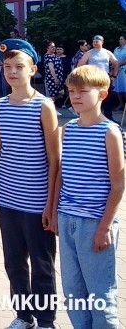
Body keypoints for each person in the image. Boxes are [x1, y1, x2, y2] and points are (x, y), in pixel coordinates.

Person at [0, 39, 60, 329]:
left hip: (37, 200)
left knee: (42, 265)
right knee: (14, 262)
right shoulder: (0, 105)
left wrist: (51, 204)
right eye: (7, 67)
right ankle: (23, 315)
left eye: (19, 67)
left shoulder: (44, 106)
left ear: (32, 70)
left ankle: (45, 320)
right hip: (8, 200)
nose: (12, 72)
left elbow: (55, 160)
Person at [55, 65, 124, 329]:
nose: (75, 96)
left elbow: (118, 185)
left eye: (83, 91)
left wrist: (105, 226)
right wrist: (54, 210)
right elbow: (63, 174)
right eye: (72, 91)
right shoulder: (69, 129)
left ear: (103, 94)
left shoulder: (109, 132)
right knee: (73, 292)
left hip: (95, 223)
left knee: (100, 294)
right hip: (67, 218)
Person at [77, 35, 119, 120]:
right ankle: (93, 117)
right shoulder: (89, 53)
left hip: (105, 77)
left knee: (107, 98)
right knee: (93, 97)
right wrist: (85, 75)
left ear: (102, 42)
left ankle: (109, 117)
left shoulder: (107, 52)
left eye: (97, 41)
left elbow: (116, 64)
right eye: (94, 41)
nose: (95, 43)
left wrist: (114, 76)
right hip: (93, 78)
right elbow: (80, 65)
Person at [42, 41, 64, 105]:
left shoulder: (54, 55)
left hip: (59, 77)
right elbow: (51, 68)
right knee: (52, 95)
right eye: (52, 47)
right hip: (52, 79)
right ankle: (50, 108)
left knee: (61, 93)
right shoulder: (48, 56)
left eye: (54, 47)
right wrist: (55, 79)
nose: (54, 48)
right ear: (47, 48)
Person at [113, 36, 126, 110]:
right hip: (117, 70)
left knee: (124, 88)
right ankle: (121, 104)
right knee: (118, 88)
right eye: (119, 39)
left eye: (121, 39)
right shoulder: (116, 49)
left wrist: (119, 64)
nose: (119, 40)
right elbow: (113, 59)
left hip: (124, 70)